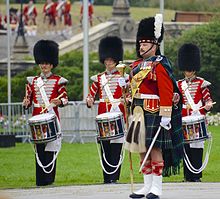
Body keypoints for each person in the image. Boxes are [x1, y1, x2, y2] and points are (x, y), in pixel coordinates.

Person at [124, 15, 184, 199]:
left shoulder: (160, 65)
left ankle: (156, 188)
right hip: (137, 112)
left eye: (146, 43)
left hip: (154, 112)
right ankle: (146, 186)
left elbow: (166, 91)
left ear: (155, 44)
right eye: (140, 43)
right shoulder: (135, 65)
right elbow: (131, 92)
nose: (141, 46)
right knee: (142, 150)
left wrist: (165, 115)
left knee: (155, 149)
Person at [22, 40, 68, 186]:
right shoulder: (33, 82)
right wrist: (25, 103)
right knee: (39, 148)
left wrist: (58, 101)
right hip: (37, 118)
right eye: (42, 63)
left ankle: (49, 178)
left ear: (52, 64)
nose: (44, 66)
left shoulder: (58, 81)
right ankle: (40, 179)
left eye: (47, 63)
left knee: (51, 148)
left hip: (52, 118)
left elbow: (65, 98)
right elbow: (28, 100)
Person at [86, 36, 126, 184]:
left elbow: (128, 95)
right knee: (105, 146)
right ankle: (106, 177)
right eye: (106, 60)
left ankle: (114, 177)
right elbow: (91, 95)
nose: (108, 63)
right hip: (103, 114)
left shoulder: (124, 77)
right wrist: (89, 101)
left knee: (116, 146)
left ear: (116, 60)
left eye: (111, 60)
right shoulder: (98, 78)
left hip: (118, 114)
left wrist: (126, 99)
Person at [177, 43, 213, 182]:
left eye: (190, 69)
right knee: (186, 147)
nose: (188, 72)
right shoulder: (179, 84)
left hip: (197, 117)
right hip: (184, 118)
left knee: (197, 146)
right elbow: (177, 101)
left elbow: (207, 98)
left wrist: (208, 104)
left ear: (194, 69)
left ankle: (196, 175)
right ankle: (187, 176)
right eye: (186, 69)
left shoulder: (202, 83)